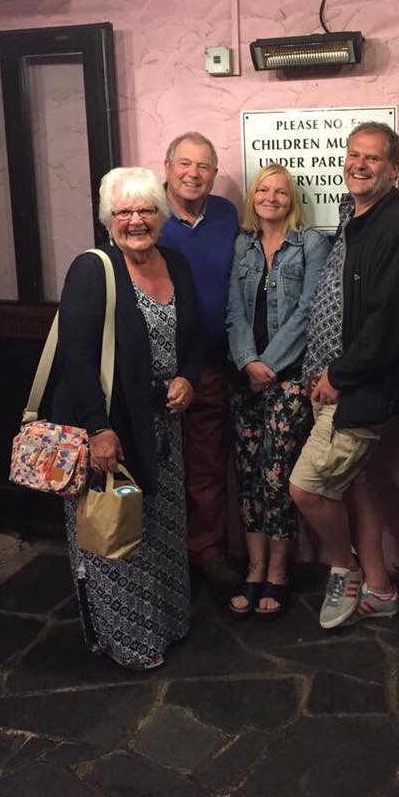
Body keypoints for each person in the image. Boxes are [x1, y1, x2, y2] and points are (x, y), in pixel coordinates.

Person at [53, 167, 204, 670]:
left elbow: (196, 337)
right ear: (108, 219)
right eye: (124, 211)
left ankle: (169, 623)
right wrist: (99, 429)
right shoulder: (92, 269)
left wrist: (188, 378)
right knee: (115, 535)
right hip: (112, 427)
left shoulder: (176, 263)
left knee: (162, 530)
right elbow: (77, 359)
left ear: (160, 215)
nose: (136, 220)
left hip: (163, 425)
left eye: (145, 210)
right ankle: (128, 639)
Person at [289, 122, 399, 629]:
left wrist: (340, 375)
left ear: (393, 169)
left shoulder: (398, 228)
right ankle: (380, 588)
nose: (359, 164)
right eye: (353, 155)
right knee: (355, 485)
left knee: (307, 489)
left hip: (356, 390)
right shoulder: (355, 218)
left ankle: (342, 569)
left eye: (372, 158)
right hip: (330, 384)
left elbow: (389, 323)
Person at [225, 164, 330, 619]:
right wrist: (247, 362)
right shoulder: (242, 245)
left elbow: (309, 310)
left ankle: (279, 572)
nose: (271, 197)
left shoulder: (311, 244)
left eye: (281, 191)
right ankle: (255, 568)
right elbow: (233, 309)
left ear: (293, 200)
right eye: (263, 190)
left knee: (276, 473)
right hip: (245, 377)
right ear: (254, 197)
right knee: (248, 475)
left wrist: (269, 363)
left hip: (287, 378)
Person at [159, 132, 240, 589]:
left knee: (207, 466)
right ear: (167, 167)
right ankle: (162, 557)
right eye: (185, 163)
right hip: (156, 369)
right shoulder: (146, 215)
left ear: (214, 173)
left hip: (210, 365)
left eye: (204, 166)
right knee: (157, 464)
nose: (193, 173)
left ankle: (206, 552)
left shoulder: (226, 215)